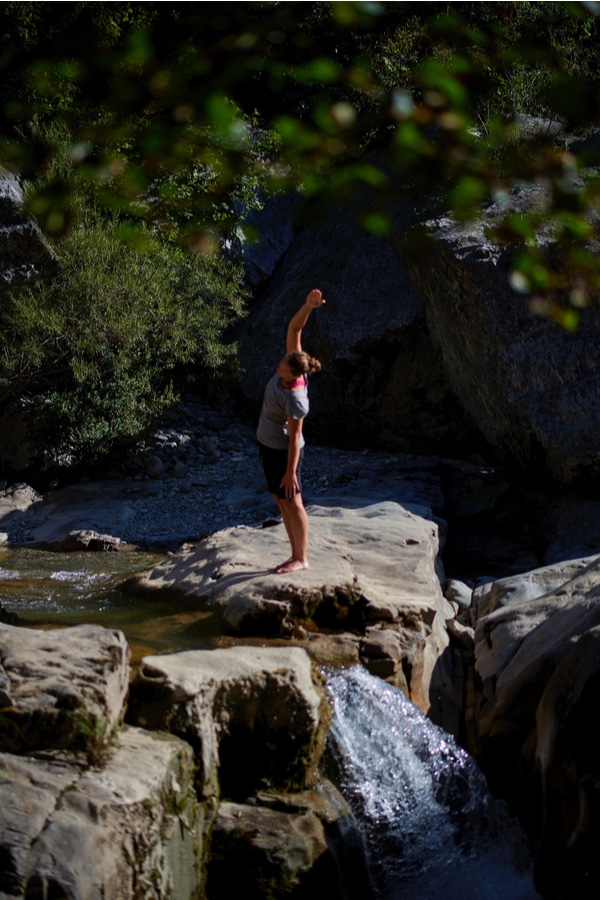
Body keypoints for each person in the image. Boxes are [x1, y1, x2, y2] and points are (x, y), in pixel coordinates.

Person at [256, 288, 326, 573]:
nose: (279, 365)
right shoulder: (293, 364)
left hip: (284, 452)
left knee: (293, 501)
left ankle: (301, 558)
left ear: (294, 374)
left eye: (283, 366)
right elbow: (294, 327)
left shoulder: (296, 398)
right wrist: (308, 306)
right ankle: (294, 553)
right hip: (267, 445)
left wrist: (290, 472)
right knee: (280, 500)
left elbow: (296, 438)